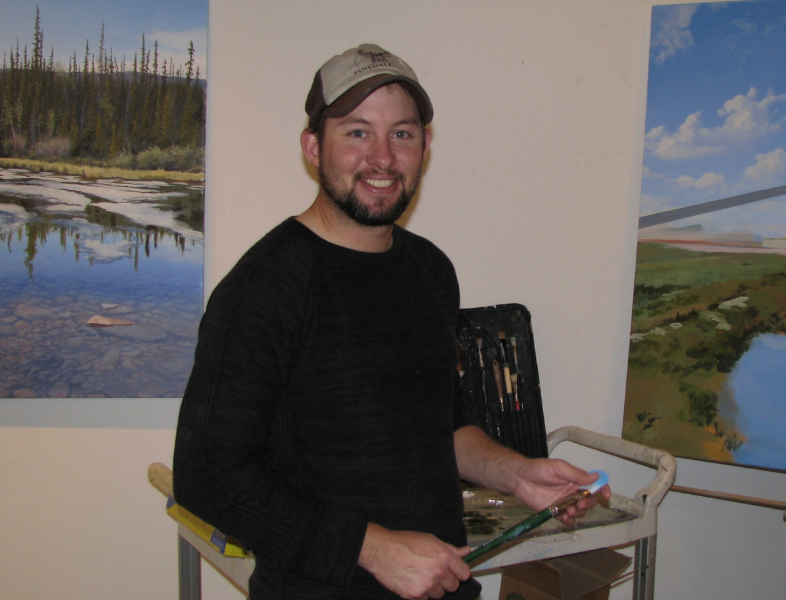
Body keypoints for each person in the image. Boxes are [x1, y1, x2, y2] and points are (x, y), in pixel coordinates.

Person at [173, 43, 610, 600]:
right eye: (357, 132)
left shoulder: (431, 270)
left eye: (401, 134)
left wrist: (516, 473)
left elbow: (441, 422)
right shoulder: (265, 287)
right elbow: (207, 477)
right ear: (313, 146)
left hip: (445, 587)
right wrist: (374, 548)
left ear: (425, 146)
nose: (382, 158)